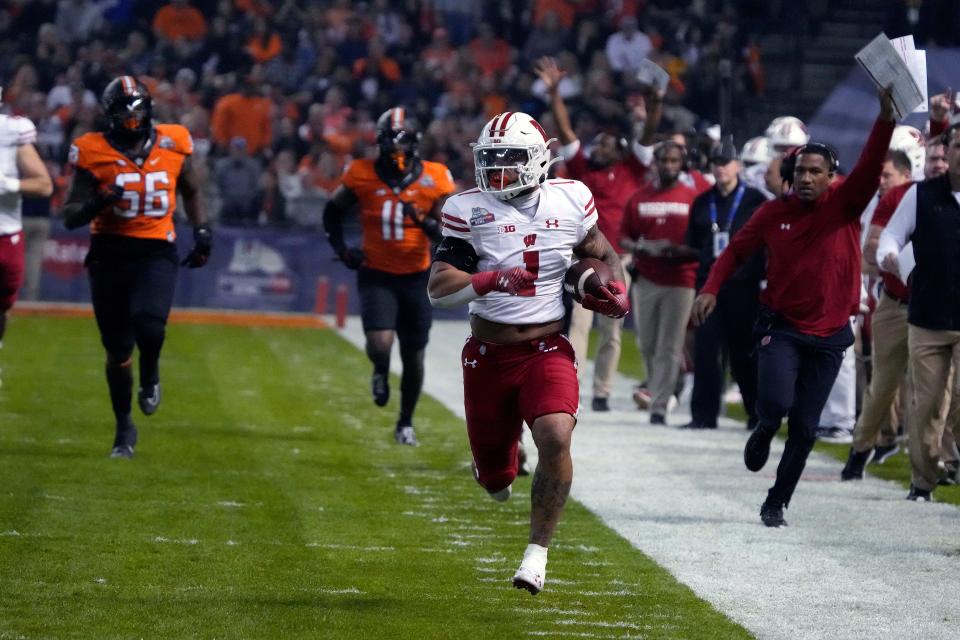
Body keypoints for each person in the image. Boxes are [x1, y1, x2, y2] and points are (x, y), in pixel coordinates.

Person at [427, 112, 628, 595]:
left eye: (509, 158)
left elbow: (604, 252)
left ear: (539, 158)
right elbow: (438, 289)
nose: (496, 168)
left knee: (556, 434)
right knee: (496, 484)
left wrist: (616, 290)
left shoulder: (571, 198)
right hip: (488, 352)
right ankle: (501, 457)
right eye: (489, 158)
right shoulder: (466, 209)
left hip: (546, 344)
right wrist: (490, 278)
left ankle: (536, 554)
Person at [692, 88, 896, 527]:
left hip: (830, 335)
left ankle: (776, 501)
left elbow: (872, 161)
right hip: (783, 326)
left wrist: (885, 117)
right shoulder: (771, 214)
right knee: (776, 402)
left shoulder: (846, 204)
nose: (805, 178)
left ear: (831, 177)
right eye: (799, 170)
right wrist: (710, 289)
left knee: (805, 428)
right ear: (790, 173)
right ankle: (765, 425)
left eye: (815, 172)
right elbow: (733, 254)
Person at [62, 76, 212, 458]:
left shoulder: (174, 141)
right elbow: (70, 217)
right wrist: (98, 202)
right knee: (116, 350)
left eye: (137, 112)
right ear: (109, 115)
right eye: (124, 113)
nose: (132, 121)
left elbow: (191, 189)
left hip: (155, 249)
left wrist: (202, 230)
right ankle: (123, 427)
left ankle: (151, 373)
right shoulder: (91, 150)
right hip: (109, 253)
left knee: (149, 325)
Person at [323, 107, 455, 446]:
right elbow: (332, 211)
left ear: (414, 144)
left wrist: (428, 225)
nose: (396, 151)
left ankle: (405, 422)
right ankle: (380, 370)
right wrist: (342, 249)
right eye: (390, 143)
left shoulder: (436, 176)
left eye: (401, 143)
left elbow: (452, 233)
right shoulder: (361, 172)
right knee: (380, 343)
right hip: (377, 272)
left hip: (417, 275)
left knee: (414, 355)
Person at [534, 56, 650, 412]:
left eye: (607, 144)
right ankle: (576, 384)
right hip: (584, 256)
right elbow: (567, 133)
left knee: (612, 326)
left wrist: (650, 111)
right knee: (580, 323)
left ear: (620, 149)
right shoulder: (584, 166)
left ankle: (602, 390)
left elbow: (647, 139)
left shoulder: (632, 168)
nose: (600, 147)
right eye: (598, 143)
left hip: (620, 258)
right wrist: (555, 95)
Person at [842, 143, 948, 481]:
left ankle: (939, 463)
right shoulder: (903, 195)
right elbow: (873, 248)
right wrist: (893, 254)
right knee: (883, 385)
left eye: (945, 158)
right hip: (897, 302)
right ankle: (860, 449)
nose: (939, 164)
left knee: (937, 393)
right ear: (923, 162)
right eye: (934, 157)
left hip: (941, 307)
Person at [876, 122, 960, 500]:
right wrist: (889, 255)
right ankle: (923, 481)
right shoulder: (920, 195)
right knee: (925, 405)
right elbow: (892, 235)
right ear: (947, 151)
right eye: (957, 145)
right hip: (927, 316)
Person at [662, 137, 767, 430]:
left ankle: (755, 415)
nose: (719, 169)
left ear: (737, 166)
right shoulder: (703, 201)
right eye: (715, 164)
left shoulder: (755, 200)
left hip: (744, 287)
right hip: (709, 286)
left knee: (744, 352)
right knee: (706, 351)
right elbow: (693, 244)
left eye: (725, 163)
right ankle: (703, 416)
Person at [620, 141, 698, 424]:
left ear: (682, 164)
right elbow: (623, 236)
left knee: (670, 344)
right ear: (655, 163)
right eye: (664, 160)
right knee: (647, 343)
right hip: (647, 277)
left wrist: (675, 250)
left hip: (681, 279)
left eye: (674, 161)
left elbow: (701, 240)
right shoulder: (639, 197)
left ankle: (660, 404)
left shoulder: (692, 196)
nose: (668, 166)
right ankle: (659, 389)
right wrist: (640, 246)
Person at [0, 106, 54, 387]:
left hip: (6, 235)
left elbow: (44, 185)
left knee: (3, 307)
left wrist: (7, 184)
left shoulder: (11, 131)